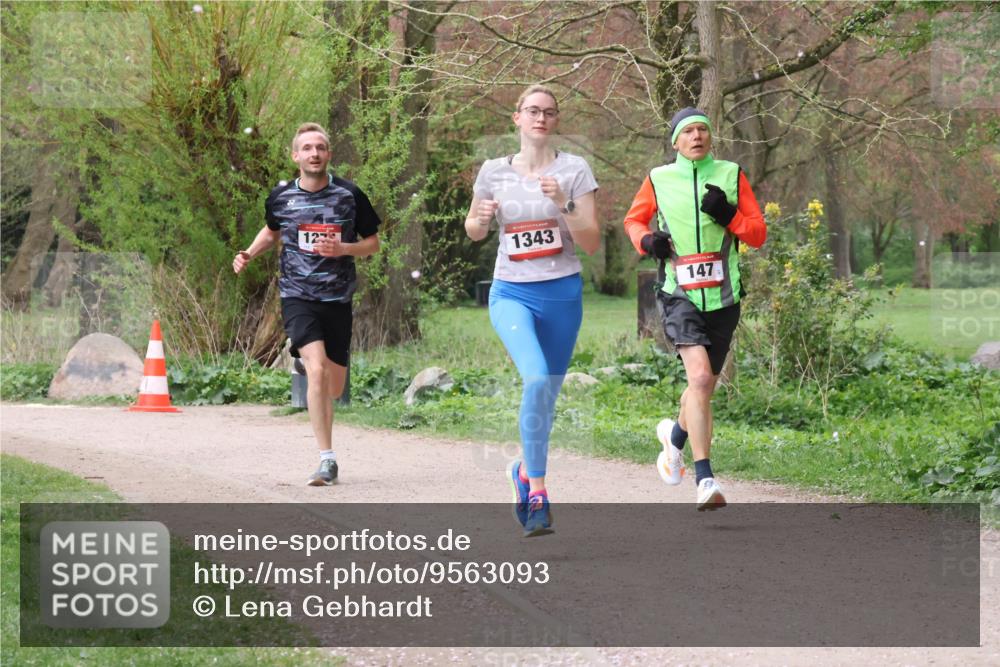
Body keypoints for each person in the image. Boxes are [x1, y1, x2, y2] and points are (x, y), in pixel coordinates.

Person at [465, 85, 600, 537]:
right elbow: (473, 230)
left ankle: (523, 471)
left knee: (547, 397)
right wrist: (480, 218)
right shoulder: (493, 171)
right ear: (517, 118)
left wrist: (564, 202)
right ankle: (538, 493)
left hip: (562, 294)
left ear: (556, 121)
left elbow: (592, 241)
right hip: (511, 293)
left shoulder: (574, 170)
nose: (540, 118)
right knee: (537, 378)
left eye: (549, 112)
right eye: (532, 111)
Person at [622, 107, 766, 511]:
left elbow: (757, 235)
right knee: (700, 378)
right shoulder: (658, 178)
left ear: (711, 137)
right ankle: (704, 479)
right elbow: (633, 221)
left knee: (704, 387)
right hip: (679, 292)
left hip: (724, 296)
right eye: (688, 132)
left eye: (703, 129)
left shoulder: (731, 174)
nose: (697, 136)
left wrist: (729, 215)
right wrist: (647, 242)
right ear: (676, 143)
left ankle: (675, 440)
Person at [233, 122, 381, 486]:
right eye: (308, 148)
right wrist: (248, 253)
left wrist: (344, 248)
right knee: (318, 372)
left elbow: (373, 243)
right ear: (295, 156)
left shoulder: (349, 194)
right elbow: (273, 230)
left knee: (332, 385)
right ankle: (327, 460)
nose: (314, 153)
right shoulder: (281, 196)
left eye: (321, 148)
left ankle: (310, 368)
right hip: (297, 295)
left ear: (328, 154)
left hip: (338, 297)